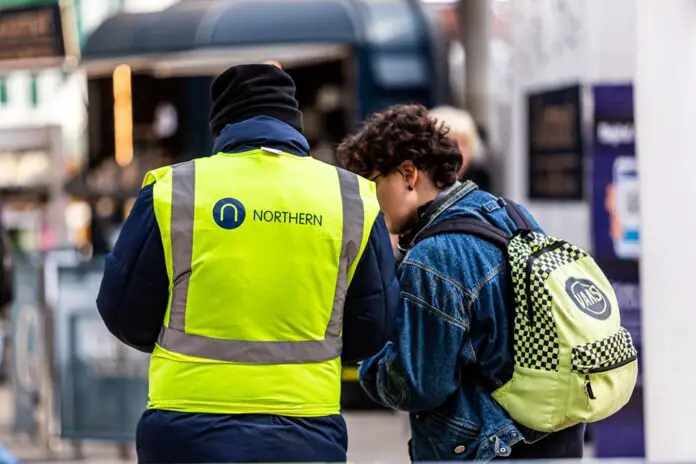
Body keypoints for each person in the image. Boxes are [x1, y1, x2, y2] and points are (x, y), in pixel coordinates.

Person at [97, 64, 399, 463]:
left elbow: (123, 312)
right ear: (294, 121)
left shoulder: (176, 191)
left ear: (221, 124)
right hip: (304, 426)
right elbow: (374, 327)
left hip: (188, 425)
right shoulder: (351, 198)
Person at [338, 104, 585, 462]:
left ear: (408, 173)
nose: (367, 200)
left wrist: (369, 359)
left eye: (371, 183)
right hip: (553, 434)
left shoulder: (433, 256)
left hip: (486, 448)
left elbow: (421, 385)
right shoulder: (508, 212)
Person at [429, 106, 493, 191]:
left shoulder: (480, 178)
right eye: (450, 143)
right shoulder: (422, 183)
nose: (460, 149)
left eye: (464, 143)